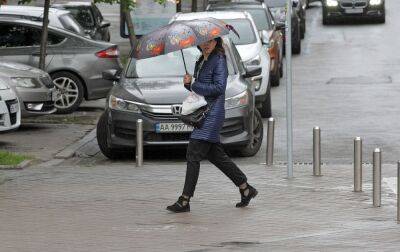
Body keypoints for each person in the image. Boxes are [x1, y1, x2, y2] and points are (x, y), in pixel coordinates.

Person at [167, 37, 258, 213]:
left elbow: (218, 88)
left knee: (193, 155)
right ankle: (246, 188)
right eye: (203, 42)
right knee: (217, 156)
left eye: (210, 41)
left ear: (217, 42)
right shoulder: (201, 60)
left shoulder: (219, 60)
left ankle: (185, 200)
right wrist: (189, 85)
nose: (207, 44)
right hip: (205, 111)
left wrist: (194, 84)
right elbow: (200, 90)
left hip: (212, 114)